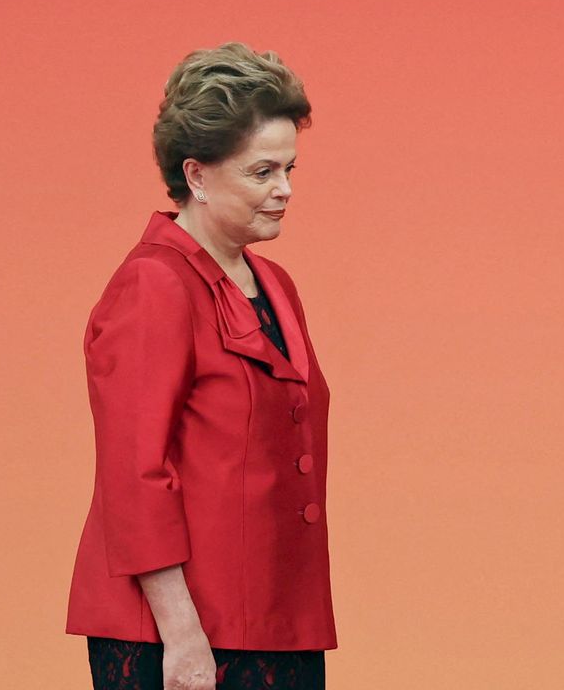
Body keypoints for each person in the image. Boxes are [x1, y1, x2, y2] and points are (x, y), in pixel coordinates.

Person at [67, 43, 335, 690]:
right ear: (197, 175)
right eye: (262, 171)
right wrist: (182, 637)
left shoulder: (273, 282)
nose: (285, 190)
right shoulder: (154, 285)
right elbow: (136, 474)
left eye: (291, 168)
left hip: (275, 624)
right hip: (181, 637)